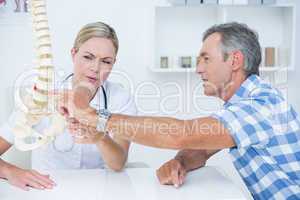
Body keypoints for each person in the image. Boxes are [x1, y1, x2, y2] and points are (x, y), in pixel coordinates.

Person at [59, 22, 300, 199]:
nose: (198, 69)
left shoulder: (259, 105)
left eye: (206, 59)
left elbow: (180, 134)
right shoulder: (241, 106)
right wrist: (181, 162)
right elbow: (202, 147)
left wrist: (94, 116)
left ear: (234, 61)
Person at [0, 21, 137, 191]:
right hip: (46, 189)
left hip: (97, 190)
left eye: (106, 62)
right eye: (88, 57)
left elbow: (118, 164)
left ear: (113, 64)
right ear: (74, 54)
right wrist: (10, 171)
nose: (95, 68)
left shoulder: (120, 99)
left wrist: (99, 137)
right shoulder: (45, 92)